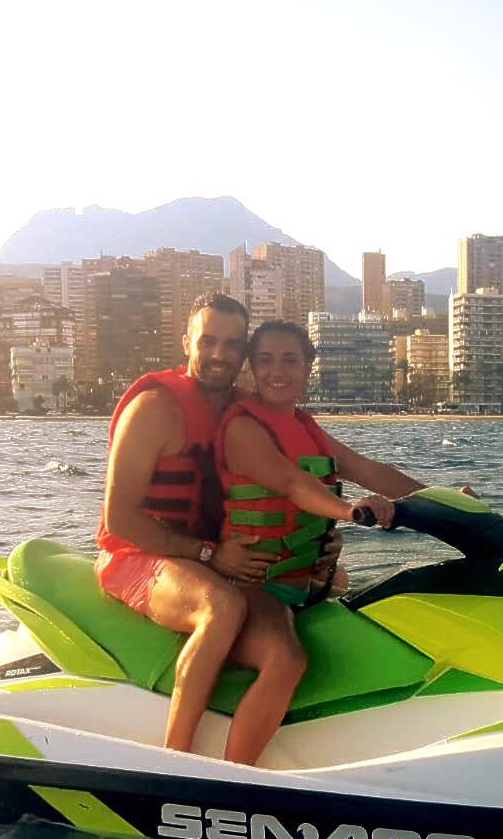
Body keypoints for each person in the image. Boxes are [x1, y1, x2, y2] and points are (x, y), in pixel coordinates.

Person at [94, 293, 328, 762]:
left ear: (244, 353)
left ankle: (236, 776)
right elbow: (119, 519)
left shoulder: (247, 414)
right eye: (208, 341)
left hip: (214, 559)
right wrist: (208, 555)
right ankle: (175, 762)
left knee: (288, 654)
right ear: (187, 344)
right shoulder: (153, 409)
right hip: (136, 557)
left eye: (232, 344)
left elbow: (293, 486)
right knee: (221, 606)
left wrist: (322, 542)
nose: (220, 354)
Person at [212, 320, 431, 760]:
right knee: (286, 659)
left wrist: (441, 501)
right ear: (251, 367)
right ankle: (233, 777)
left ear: (308, 366)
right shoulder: (243, 428)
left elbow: (370, 471)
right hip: (253, 583)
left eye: (290, 360)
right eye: (266, 360)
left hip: (301, 581)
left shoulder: (306, 427)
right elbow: (292, 484)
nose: (278, 371)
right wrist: (351, 512)